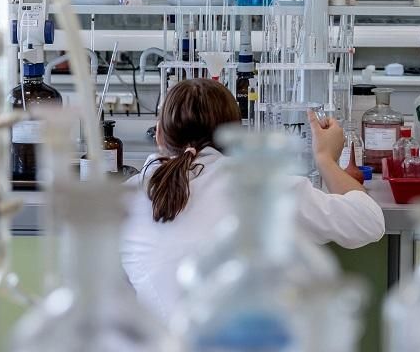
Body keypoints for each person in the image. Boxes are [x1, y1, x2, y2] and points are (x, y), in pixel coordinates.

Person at [121, 78, 385, 321]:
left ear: (158, 135)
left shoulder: (125, 200)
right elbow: (368, 222)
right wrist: (325, 158)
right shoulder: (264, 189)